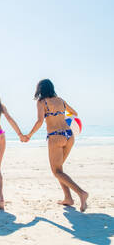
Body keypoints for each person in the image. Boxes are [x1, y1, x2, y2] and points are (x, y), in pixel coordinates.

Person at [25, 79, 88, 212]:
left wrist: (29, 135)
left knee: (56, 171)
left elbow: (39, 121)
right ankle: (68, 198)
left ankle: (81, 193)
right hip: (69, 135)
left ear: (40, 89)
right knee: (59, 170)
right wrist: (61, 117)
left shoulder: (42, 102)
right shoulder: (61, 100)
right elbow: (74, 113)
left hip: (56, 137)